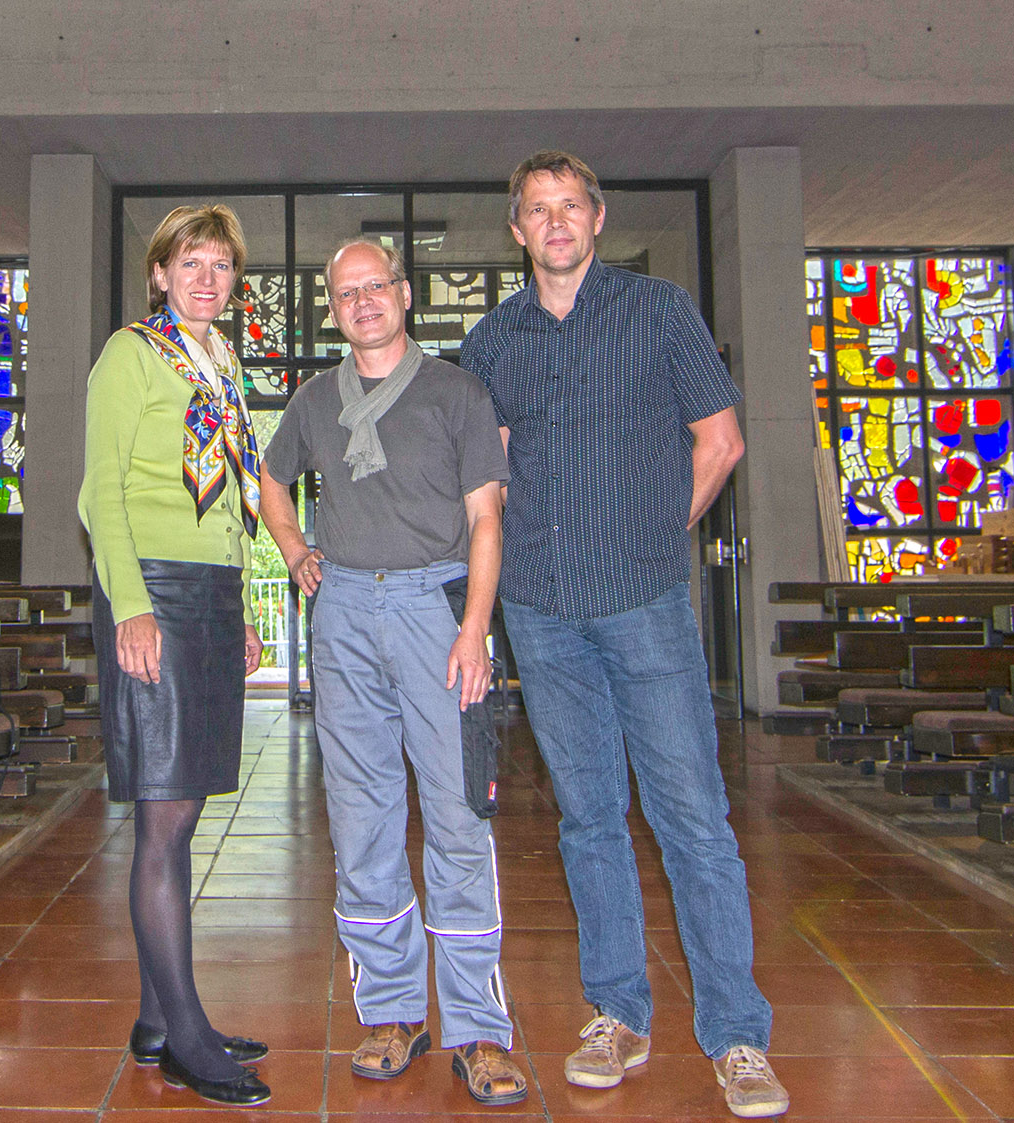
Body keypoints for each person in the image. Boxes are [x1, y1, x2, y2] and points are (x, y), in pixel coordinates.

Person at [458, 150, 790, 1121]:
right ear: (516, 229)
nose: (554, 222)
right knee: (589, 817)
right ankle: (616, 1011)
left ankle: (735, 1033)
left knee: (690, 815)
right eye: (536, 209)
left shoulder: (659, 311)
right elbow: (492, 466)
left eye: (570, 205)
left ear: (596, 218)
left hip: (643, 601)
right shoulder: (490, 341)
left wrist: (653, 530)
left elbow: (719, 439)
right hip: (541, 611)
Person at [260, 239, 527, 1107]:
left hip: (433, 612)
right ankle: (391, 1009)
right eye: (347, 292)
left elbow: (487, 520)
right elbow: (268, 479)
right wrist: (298, 549)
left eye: (376, 286)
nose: (363, 301)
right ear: (333, 309)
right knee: (362, 813)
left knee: (456, 813)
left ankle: (479, 1027)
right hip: (343, 613)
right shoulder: (311, 399)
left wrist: (476, 628)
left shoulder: (457, 391)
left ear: (404, 295)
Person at [80, 204, 273, 1107]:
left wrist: (237, 603)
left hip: (208, 593)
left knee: (184, 808)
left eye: (221, 265)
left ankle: (158, 1017)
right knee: (162, 815)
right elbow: (100, 493)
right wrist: (132, 608)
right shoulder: (130, 354)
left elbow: (231, 490)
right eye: (189, 262)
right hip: (151, 590)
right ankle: (188, 1034)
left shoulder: (220, 362)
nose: (207, 278)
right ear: (159, 273)